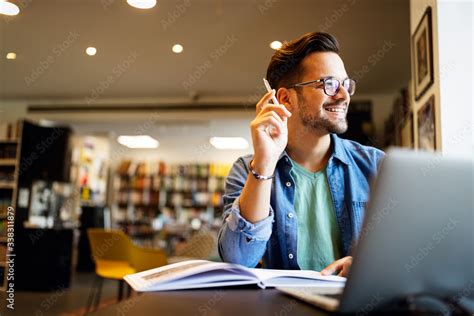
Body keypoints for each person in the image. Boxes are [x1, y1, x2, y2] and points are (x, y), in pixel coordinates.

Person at [217, 32, 384, 277]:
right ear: (284, 99)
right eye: (329, 84)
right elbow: (238, 260)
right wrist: (264, 164)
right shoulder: (247, 170)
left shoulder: (376, 166)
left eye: (346, 84)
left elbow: (415, 249)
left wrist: (371, 266)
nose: (344, 95)